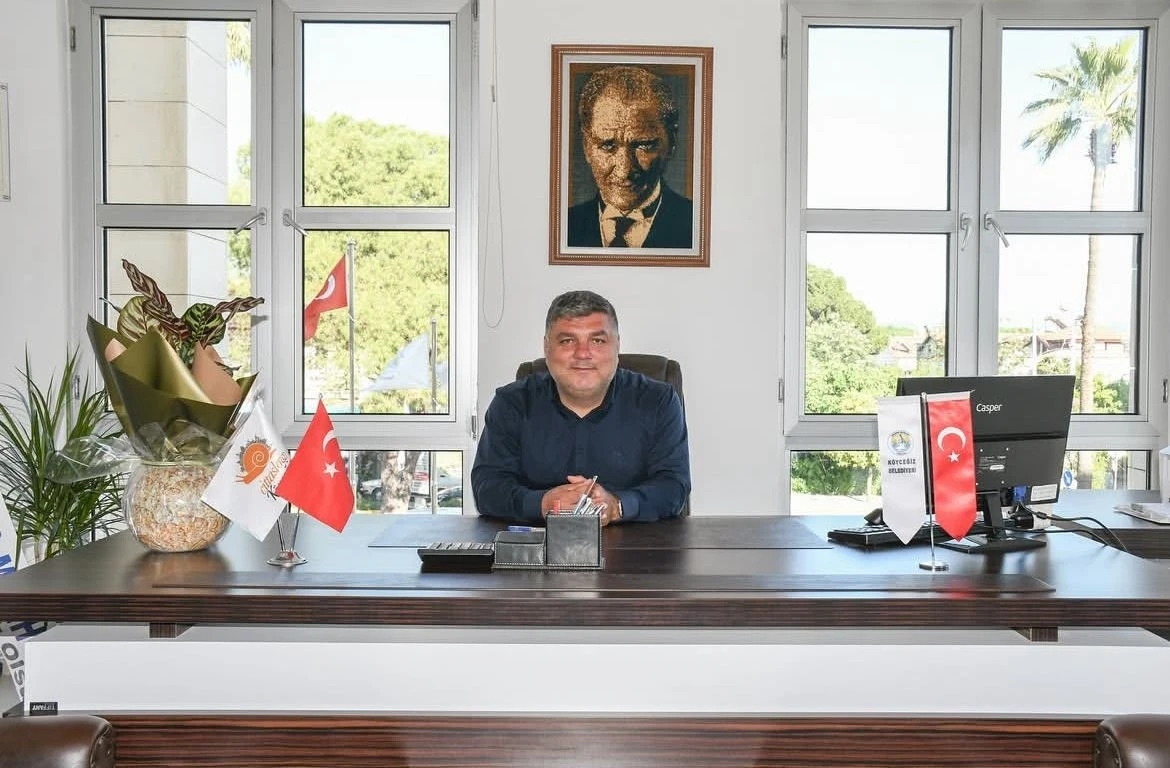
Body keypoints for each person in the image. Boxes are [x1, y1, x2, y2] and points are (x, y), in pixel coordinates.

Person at [472, 290, 690, 525]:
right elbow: (487, 487)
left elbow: (673, 486)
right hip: (540, 542)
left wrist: (617, 506)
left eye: (597, 341)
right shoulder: (512, 403)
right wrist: (542, 503)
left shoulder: (658, 401)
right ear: (547, 348)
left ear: (617, 345)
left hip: (640, 543)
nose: (583, 354)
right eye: (567, 341)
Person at [566, 66, 694, 249]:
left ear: (671, 142)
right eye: (608, 146)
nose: (624, 170)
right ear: (587, 147)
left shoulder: (699, 225)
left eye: (643, 145)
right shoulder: (562, 226)